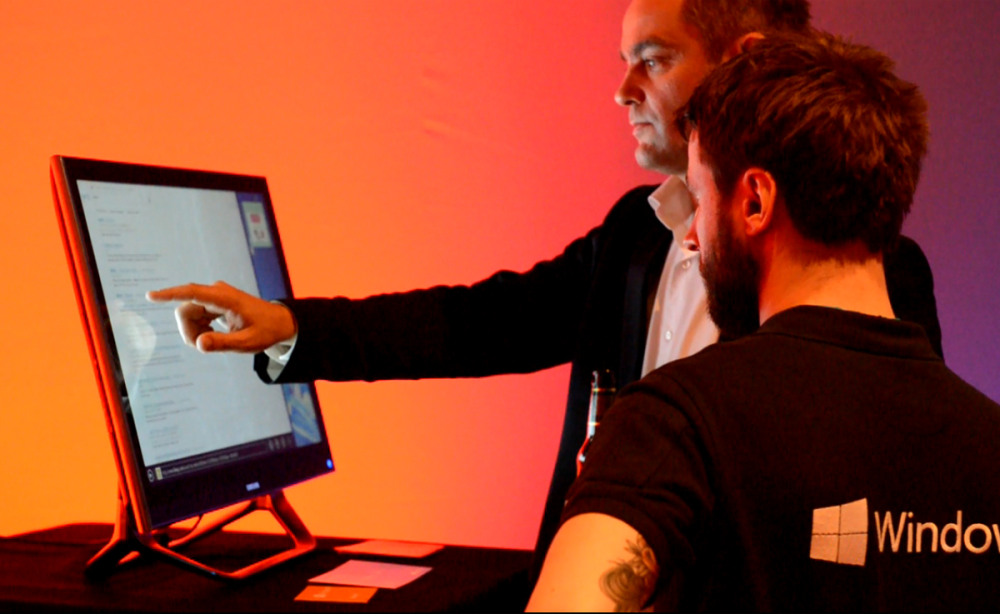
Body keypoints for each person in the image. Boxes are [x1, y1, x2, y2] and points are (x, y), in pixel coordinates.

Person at [146, 0, 943, 574]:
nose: (623, 90)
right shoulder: (635, 233)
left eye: (653, 60)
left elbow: (878, 527)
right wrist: (294, 329)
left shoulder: (874, 277)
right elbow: (480, 323)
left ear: (743, 61)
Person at [527, 32, 1000, 611]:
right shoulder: (990, 445)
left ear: (754, 201)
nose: (693, 236)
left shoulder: (673, 424)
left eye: (699, 198)